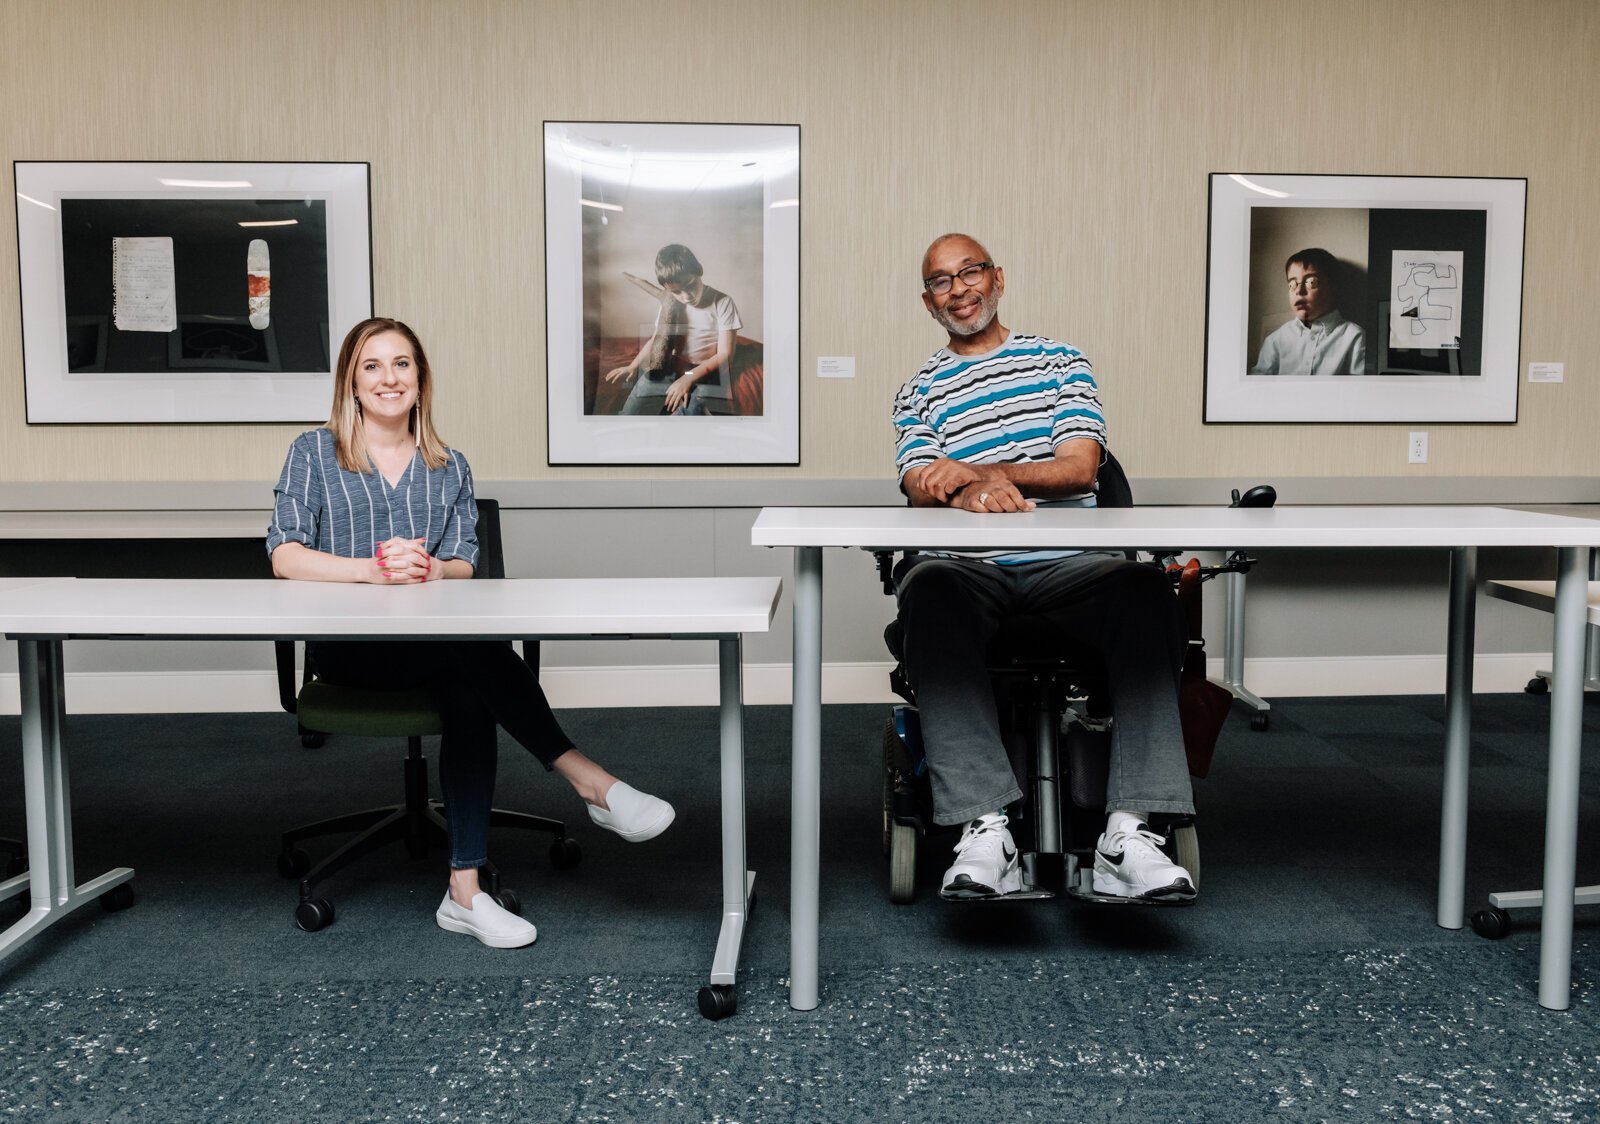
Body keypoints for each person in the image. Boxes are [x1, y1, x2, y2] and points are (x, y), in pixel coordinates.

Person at [267, 317, 675, 949]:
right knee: (477, 660)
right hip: (352, 651)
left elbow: (463, 562)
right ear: (351, 381)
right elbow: (285, 555)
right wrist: (371, 572)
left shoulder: (447, 464)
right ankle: (589, 781)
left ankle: (465, 892)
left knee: (467, 685)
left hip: (437, 650)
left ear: (420, 380)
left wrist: (433, 568)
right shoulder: (313, 453)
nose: (388, 378)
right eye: (372, 365)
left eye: (402, 364)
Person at [891, 233, 1196, 903]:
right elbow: (918, 481)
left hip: (1074, 567)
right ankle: (985, 830)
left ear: (998, 279)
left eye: (970, 272)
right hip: (969, 570)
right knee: (928, 590)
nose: (959, 289)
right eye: (942, 281)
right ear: (928, 302)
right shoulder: (917, 390)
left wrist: (977, 473)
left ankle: (1130, 833)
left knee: (1147, 591)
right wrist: (966, 495)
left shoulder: (1060, 361)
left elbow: (1080, 467)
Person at [604, 243, 741, 415]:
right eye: (676, 292)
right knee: (631, 412)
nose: (686, 297)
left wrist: (687, 378)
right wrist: (632, 366)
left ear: (699, 270)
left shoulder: (722, 302)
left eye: (690, 285)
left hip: (704, 372)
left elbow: (725, 355)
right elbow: (657, 339)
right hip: (670, 367)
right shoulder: (671, 303)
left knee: (691, 413)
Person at [1249, 247, 1367, 376]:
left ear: (1333, 287)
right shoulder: (1276, 340)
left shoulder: (1354, 337)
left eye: (1311, 282)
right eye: (1292, 284)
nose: (1298, 291)